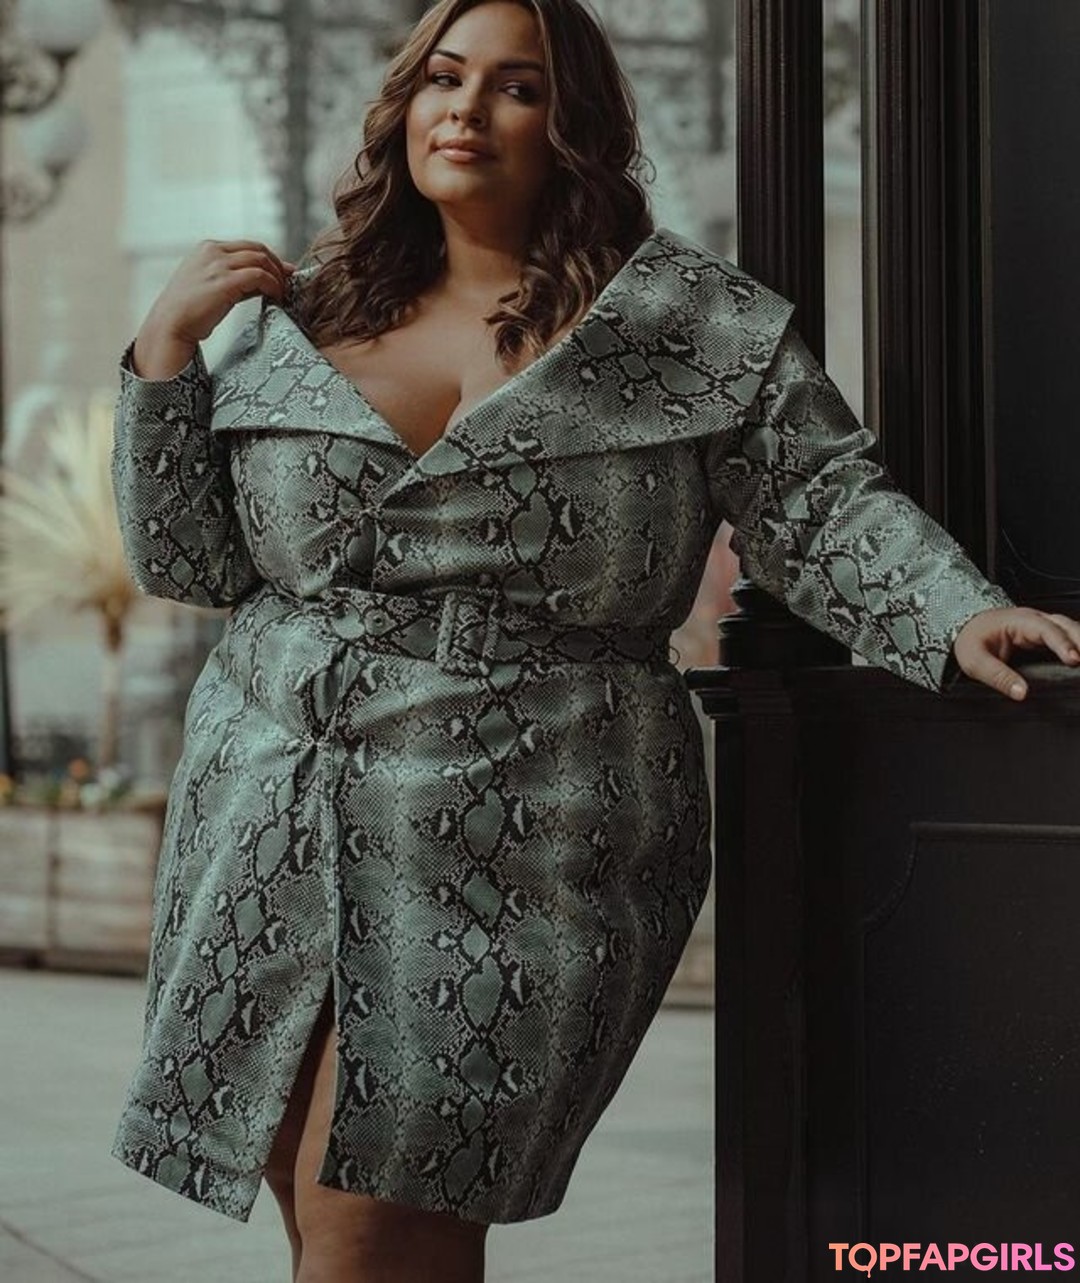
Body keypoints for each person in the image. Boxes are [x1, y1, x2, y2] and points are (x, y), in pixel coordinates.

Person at [108, 0, 1080, 1280]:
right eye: (443, 77)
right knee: (314, 1185)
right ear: (404, 106)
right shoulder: (307, 307)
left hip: (536, 810)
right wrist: (163, 356)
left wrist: (956, 609)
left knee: (378, 1209)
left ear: (575, 127)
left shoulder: (685, 321)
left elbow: (819, 497)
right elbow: (192, 563)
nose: (467, 108)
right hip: (272, 800)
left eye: (516, 87)